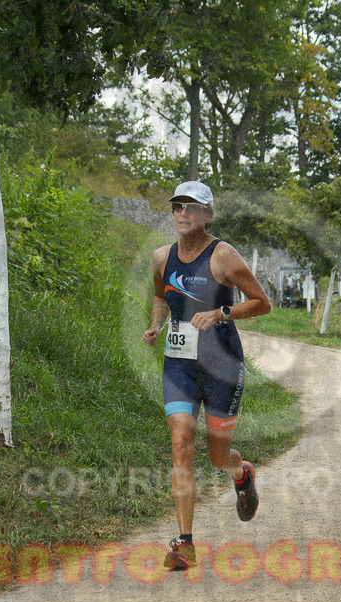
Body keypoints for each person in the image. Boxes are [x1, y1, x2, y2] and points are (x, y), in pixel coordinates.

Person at [143, 180, 272, 570]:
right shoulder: (161, 257)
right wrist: (155, 324)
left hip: (222, 367)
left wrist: (221, 313)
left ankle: (241, 472)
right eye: (177, 206)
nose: (182, 213)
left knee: (217, 456)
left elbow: (262, 303)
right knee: (181, 444)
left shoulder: (223, 256)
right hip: (180, 364)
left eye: (191, 207)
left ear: (207, 214)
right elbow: (161, 296)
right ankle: (184, 543)